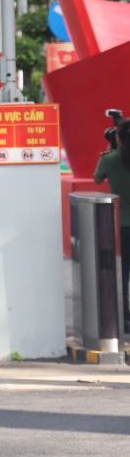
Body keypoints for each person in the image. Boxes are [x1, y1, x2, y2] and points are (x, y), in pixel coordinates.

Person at [94, 118, 130, 319]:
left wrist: (111, 147)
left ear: (119, 137)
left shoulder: (109, 159)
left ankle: (125, 316)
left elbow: (98, 178)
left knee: (123, 274)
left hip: (122, 226)